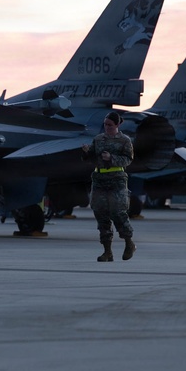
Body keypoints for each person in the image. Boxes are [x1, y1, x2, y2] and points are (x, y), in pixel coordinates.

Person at [82, 111, 136, 261]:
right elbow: (91, 158)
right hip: (99, 178)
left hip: (117, 179)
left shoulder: (125, 140)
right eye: (105, 125)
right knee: (101, 214)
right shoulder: (99, 139)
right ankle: (107, 252)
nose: (107, 127)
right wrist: (86, 153)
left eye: (110, 125)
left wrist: (111, 158)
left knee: (118, 212)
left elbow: (128, 160)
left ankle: (129, 242)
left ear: (117, 125)